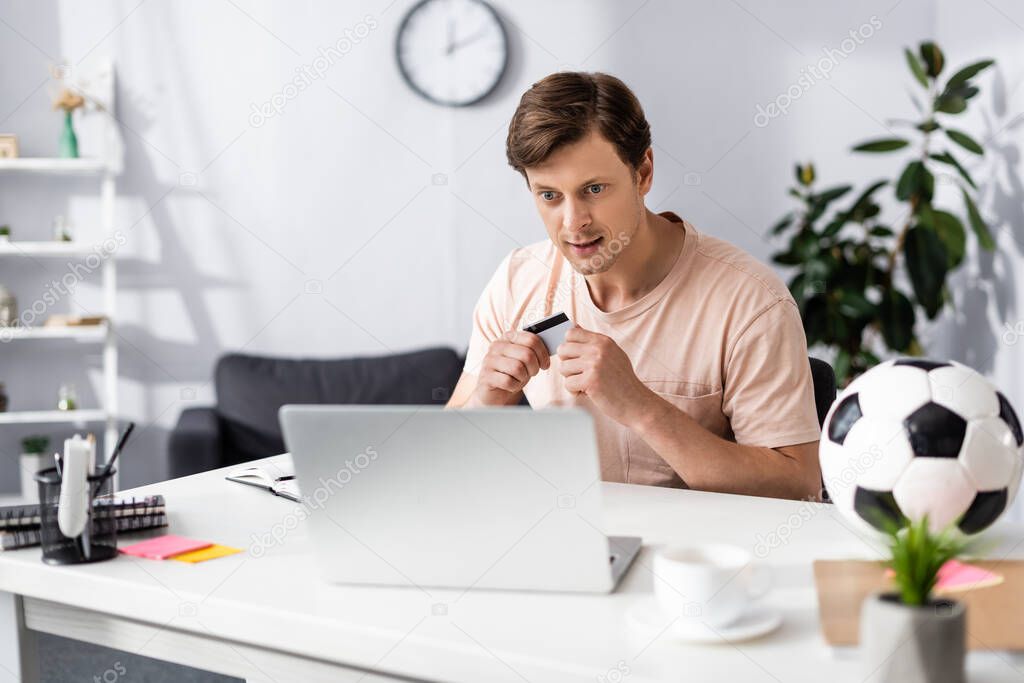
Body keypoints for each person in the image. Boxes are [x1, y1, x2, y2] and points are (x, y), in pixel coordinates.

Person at [446, 72, 821, 501]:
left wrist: (642, 408)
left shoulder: (750, 300)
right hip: (565, 547)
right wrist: (486, 399)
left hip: (692, 558)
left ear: (643, 172)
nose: (573, 222)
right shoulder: (518, 281)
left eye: (594, 189)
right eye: (549, 196)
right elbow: (442, 468)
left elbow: (799, 486)